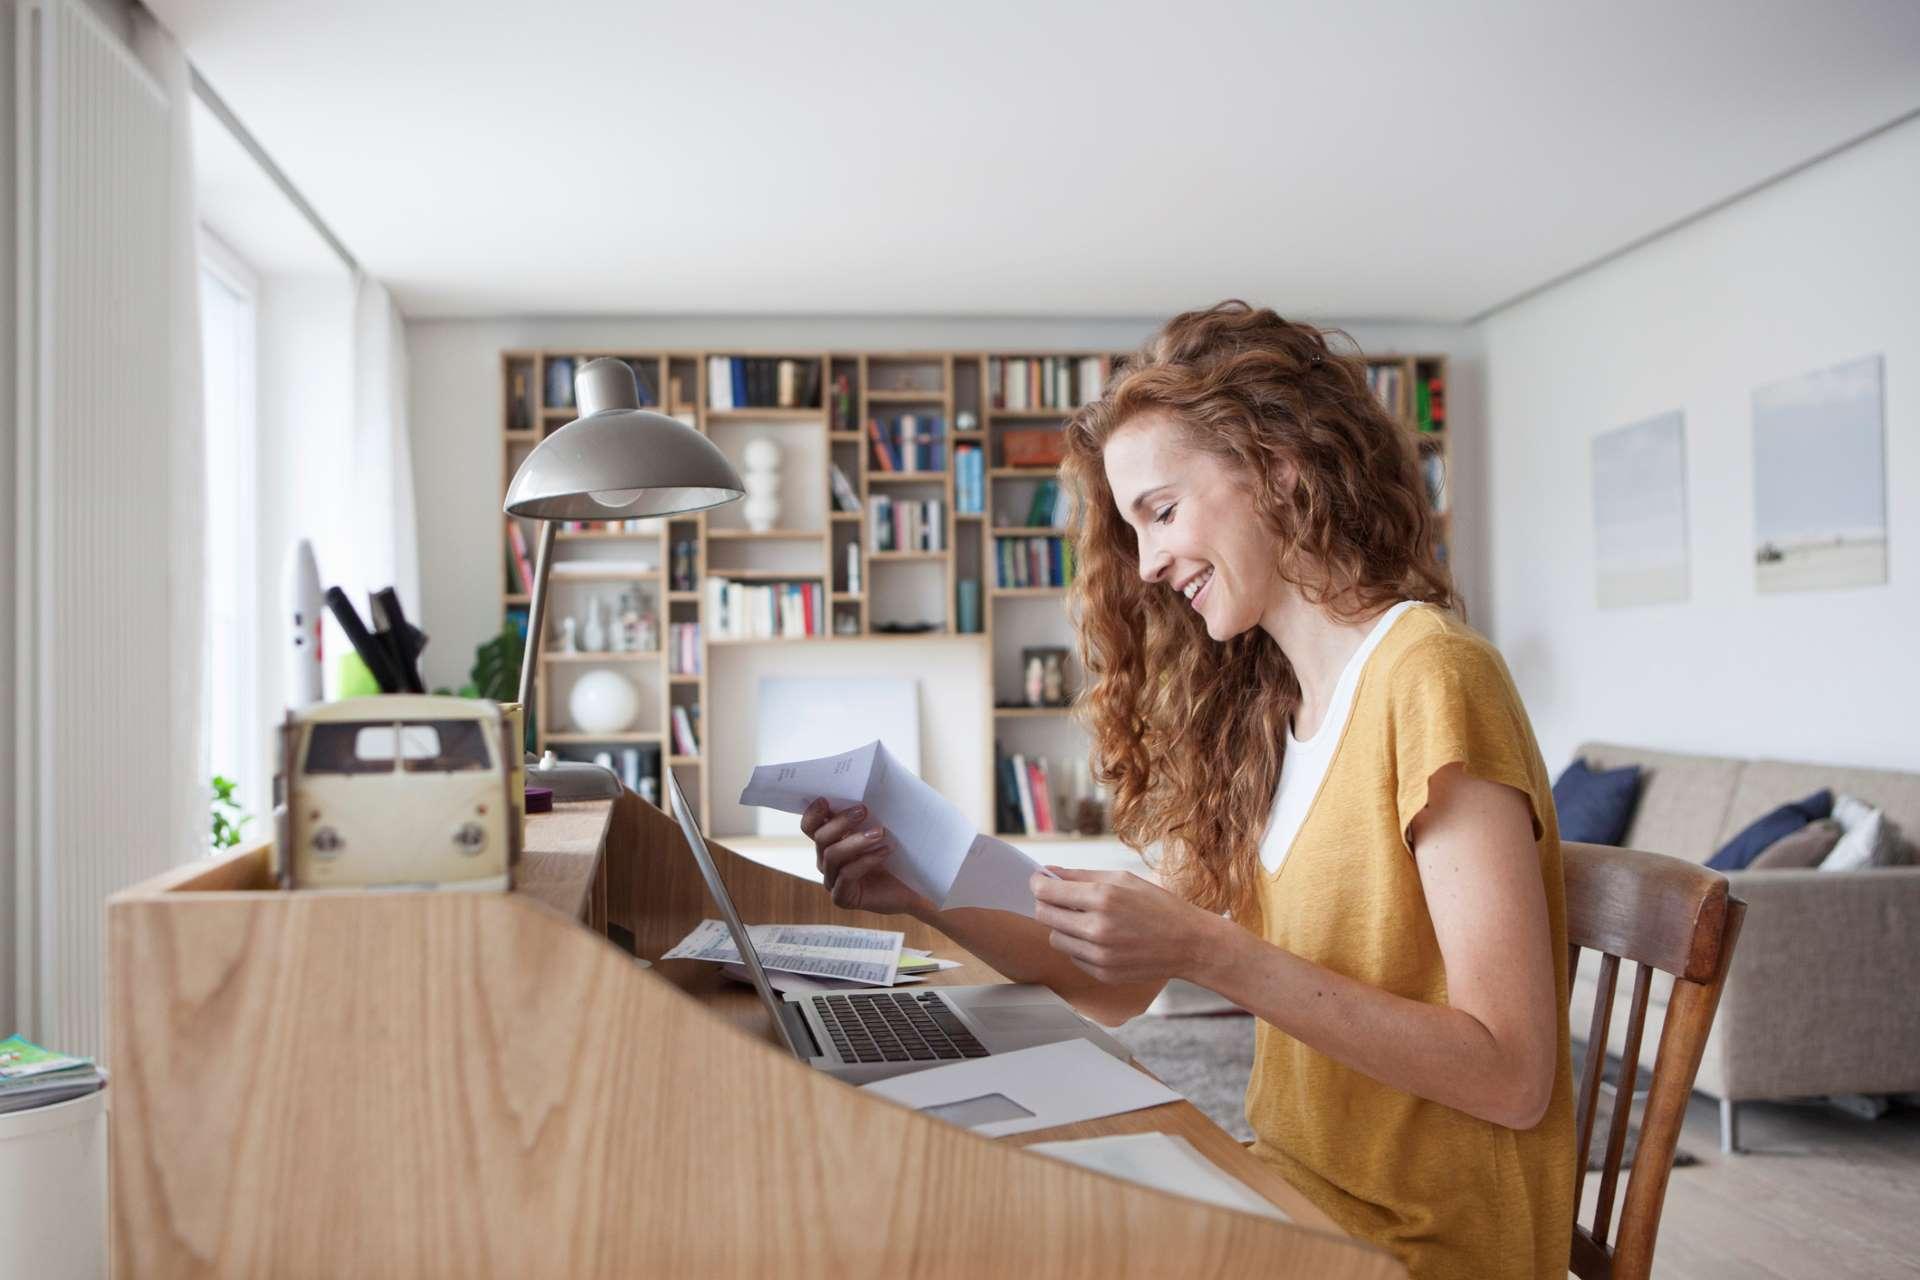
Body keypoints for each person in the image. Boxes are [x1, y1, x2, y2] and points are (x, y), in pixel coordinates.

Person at [801, 301, 1573, 1280]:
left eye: (1161, 512)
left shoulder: (1432, 676)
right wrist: (918, 889)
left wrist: (1214, 950)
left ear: (1281, 466)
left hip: (1418, 1249)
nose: (1151, 564)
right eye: (1133, 529)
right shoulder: (1274, 719)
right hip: (1286, 1193)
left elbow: (1510, 1072)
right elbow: (1116, 981)